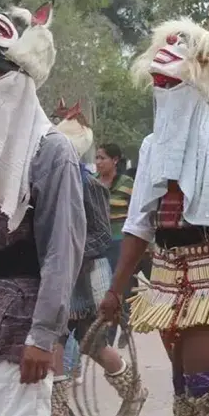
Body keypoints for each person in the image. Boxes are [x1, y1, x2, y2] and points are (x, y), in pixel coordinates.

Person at [98, 19, 209, 416]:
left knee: (202, 376)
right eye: (158, 81)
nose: (162, 90)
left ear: (195, 83)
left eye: (171, 82)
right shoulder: (151, 146)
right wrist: (115, 289)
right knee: (183, 379)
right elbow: (138, 224)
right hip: (165, 273)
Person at [0, 1, 86, 416]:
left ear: (24, 76)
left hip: (19, 325)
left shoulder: (50, 150)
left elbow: (63, 249)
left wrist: (43, 336)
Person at [50, 101, 147, 416]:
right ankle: (59, 407)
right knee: (55, 336)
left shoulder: (89, 186)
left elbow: (103, 236)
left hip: (85, 275)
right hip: (58, 274)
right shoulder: (52, 183)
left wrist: (71, 251)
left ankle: (134, 392)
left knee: (90, 343)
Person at [95, 143, 143, 347]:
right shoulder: (93, 183)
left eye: (102, 158)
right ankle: (115, 326)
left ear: (115, 160)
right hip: (100, 243)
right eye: (96, 158)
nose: (98, 163)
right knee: (104, 288)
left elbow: (139, 212)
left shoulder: (127, 184)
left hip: (121, 240)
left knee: (117, 287)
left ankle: (116, 329)